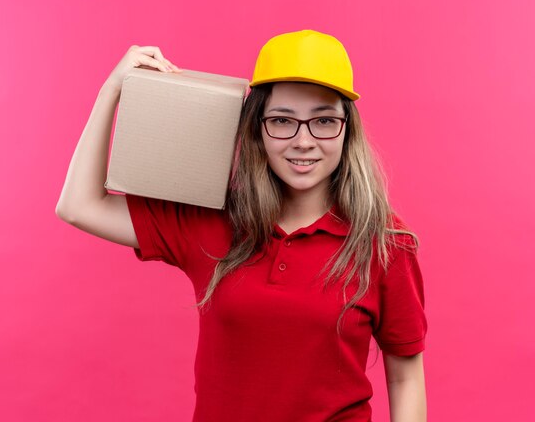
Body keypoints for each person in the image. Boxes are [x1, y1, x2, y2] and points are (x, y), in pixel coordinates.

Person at [56, 30, 428, 422]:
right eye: (283, 121)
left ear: (347, 129)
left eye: (323, 120)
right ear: (257, 129)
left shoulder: (384, 243)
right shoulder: (213, 220)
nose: (303, 141)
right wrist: (112, 90)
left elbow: (405, 379)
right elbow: (80, 205)